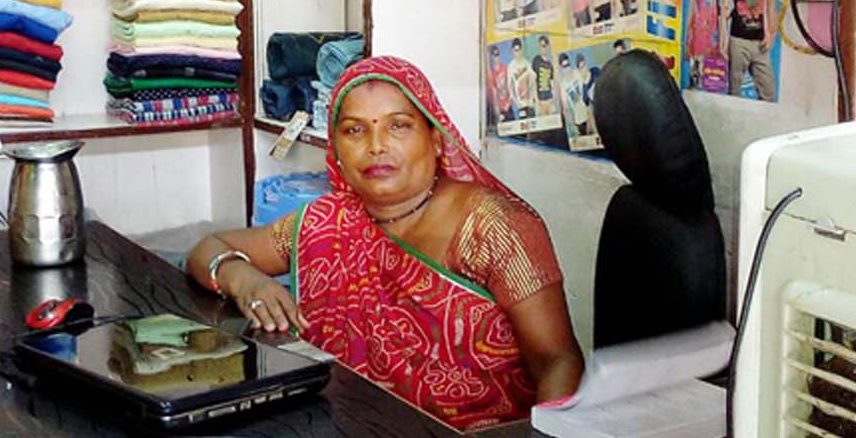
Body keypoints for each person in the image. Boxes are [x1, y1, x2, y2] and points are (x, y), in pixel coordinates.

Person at [185, 57, 584, 431]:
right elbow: (208, 248)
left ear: (436, 138)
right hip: (341, 425)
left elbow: (558, 362)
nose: (376, 145)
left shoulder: (494, 226)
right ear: (336, 149)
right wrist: (247, 281)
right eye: (355, 130)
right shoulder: (327, 220)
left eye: (398, 126)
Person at [559, 53, 591, 136]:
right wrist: (573, 125)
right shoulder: (563, 85)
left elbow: (588, 83)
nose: (567, 68)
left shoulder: (577, 73)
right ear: (561, 68)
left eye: (568, 65)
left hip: (589, 116)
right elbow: (566, 109)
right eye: (564, 66)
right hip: (578, 122)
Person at [507, 38, 538, 119]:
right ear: (512, 51)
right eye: (515, 50)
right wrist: (516, 102)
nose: (517, 53)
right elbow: (510, 86)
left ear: (521, 49)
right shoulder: (511, 66)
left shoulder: (527, 63)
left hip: (530, 102)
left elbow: (533, 83)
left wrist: (534, 98)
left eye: (519, 50)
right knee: (523, 125)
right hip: (520, 104)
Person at [487, 45, 515, 122]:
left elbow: (511, 86)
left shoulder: (505, 68)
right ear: (492, 57)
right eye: (494, 55)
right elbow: (494, 94)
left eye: (497, 54)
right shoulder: (492, 74)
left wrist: (508, 104)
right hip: (500, 109)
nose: (496, 57)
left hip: (508, 106)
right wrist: (499, 112)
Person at [532, 35, 557, 116]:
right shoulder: (536, 60)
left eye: (543, 46)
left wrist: (553, 99)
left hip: (549, 99)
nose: (541, 48)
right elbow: (533, 81)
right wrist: (536, 99)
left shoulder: (550, 64)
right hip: (540, 100)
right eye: (540, 46)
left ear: (547, 46)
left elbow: (552, 82)